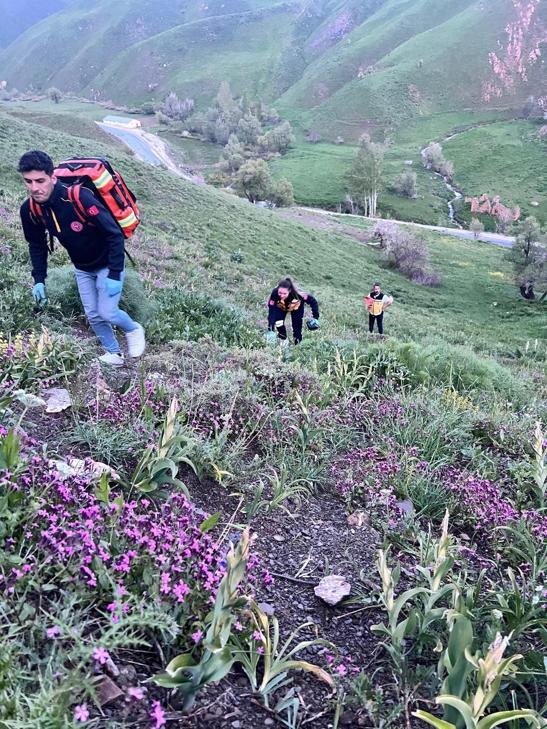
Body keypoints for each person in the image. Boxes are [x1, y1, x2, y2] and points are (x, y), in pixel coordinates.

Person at [18, 150, 145, 366]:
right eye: (28, 181)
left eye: (40, 180)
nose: (34, 188)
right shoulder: (30, 210)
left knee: (108, 311)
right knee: (94, 315)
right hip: (82, 267)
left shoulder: (78, 197)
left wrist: (114, 273)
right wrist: (38, 280)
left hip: (107, 263)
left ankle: (133, 329)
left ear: (52, 177)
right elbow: (37, 245)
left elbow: (113, 234)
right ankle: (114, 353)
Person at [267, 277, 320, 345]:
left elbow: (313, 302)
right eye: (280, 293)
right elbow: (272, 310)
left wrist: (315, 317)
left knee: (297, 328)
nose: (282, 295)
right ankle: (283, 339)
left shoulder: (299, 294)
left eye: (284, 293)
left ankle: (297, 345)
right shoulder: (275, 293)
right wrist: (271, 329)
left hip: (296, 308)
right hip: (281, 307)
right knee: (278, 322)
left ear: (289, 291)